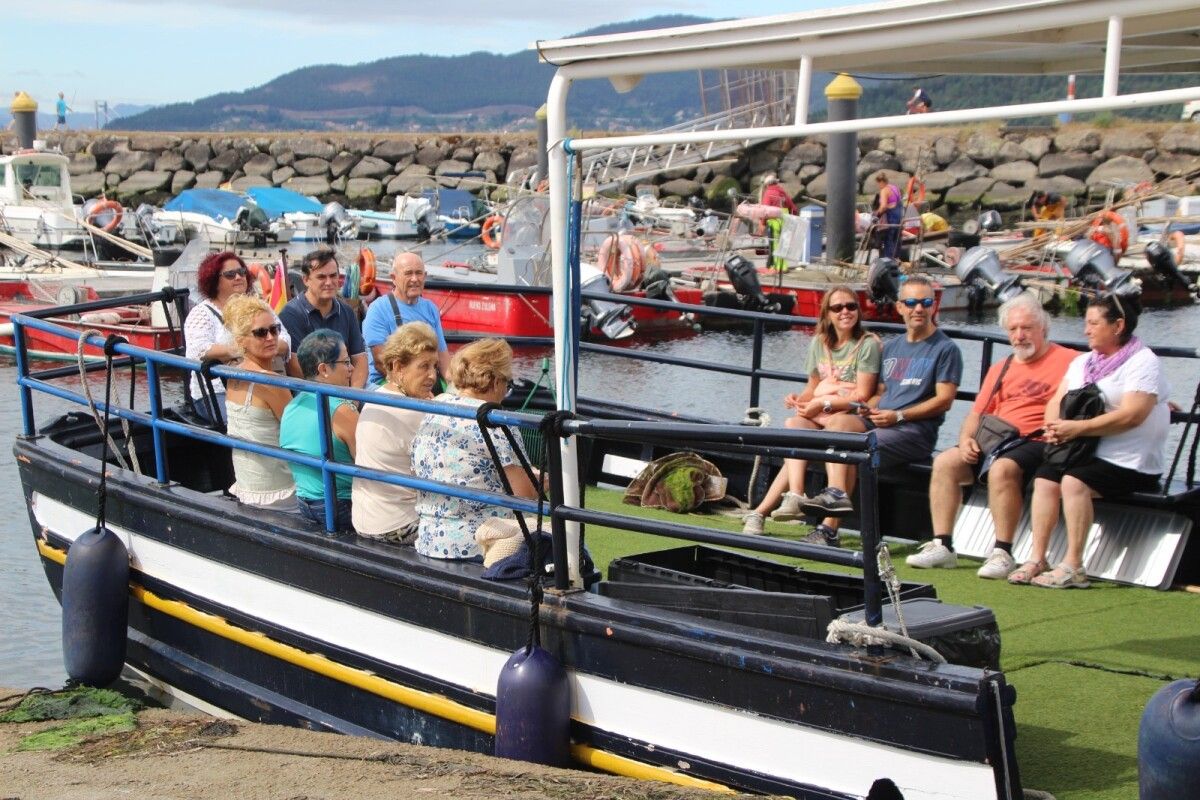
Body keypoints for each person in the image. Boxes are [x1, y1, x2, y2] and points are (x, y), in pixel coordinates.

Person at [907, 293, 1076, 577]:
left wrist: (1157, 400)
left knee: (1003, 469)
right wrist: (966, 440)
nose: (1020, 336)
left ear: (1043, 328)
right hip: (996, 438)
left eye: (1026, 328)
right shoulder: (1002, 368)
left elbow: (1110, 381)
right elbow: (976, 413)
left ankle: (1002, 551)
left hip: (1036, 440)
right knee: (946, 463)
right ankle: (943, 544)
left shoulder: (1071, 360)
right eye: (1013, 329)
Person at [1011, 294, 1169, 589]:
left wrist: (1078, 429)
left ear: (1118, 325)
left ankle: (1074, 565)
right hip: (1086, 451)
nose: (1086, 330)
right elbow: (1056, 400)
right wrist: (1054, 426)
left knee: (1073, 482)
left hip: (1132, 460)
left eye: (1093, 323)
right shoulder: (1083, 362)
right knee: (1045, 479)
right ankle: (1037, 558)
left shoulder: (1143, 362)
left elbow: (1133, 416)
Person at [800, 276, 962, 546]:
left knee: (859, 447)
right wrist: (864, 409)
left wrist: (899, 416)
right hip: (879, 421)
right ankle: (835, 497)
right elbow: (881, 393)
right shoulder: (893, 347)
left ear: (934, 307)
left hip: (913, 430)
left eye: (925, 302)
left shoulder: (946, 349)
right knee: (838, 425)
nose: (918, 309)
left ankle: (829, 528)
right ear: (900, 307)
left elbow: (945, 400)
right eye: (911, 302)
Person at [743, 287, 880, 535]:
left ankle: (761, 512)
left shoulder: (867, 344)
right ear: (827, 314)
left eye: (851, 306)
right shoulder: (819, 343)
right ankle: (795, 495)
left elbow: (862, 395)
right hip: (821, 415)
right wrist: (800, 399)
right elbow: (813, 386)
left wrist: (823, 403)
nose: (845, 312)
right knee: (794, 425)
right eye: (837, 308)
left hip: (849, 416)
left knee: (827, 443)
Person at [411, 338, 539, 561]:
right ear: (496, 380)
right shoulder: (496, 421)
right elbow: (525, 496)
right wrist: (542, 480)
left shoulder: (435, 408)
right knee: (567, 539)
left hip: (429, 537)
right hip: (476, 543)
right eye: (507, 382)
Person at [352, 322, 440, 543]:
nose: (432, 376)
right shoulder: (413, 412)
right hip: (397, 525)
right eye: (424, 366)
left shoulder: (378, 396)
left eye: (435, 366)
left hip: (366, 519)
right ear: (399, 367)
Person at [184, 251, 292, 425]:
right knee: (257, 422)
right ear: (213, 279)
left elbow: (285, 339)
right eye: (230, 274)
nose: (238, 277)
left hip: (264, 382)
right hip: (217, 391)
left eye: (242, 272)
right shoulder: (202, 313)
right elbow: (197, 352)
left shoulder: (259, 306)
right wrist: (245, 348)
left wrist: (259, 344)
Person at [221, 295, 296, 511]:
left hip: (247, 488)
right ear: (241, 340)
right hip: (278, 492)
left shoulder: (232, 375)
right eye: (261, 333)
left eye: (274, 329)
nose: (271, 337)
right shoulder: (272, 382)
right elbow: (296, 434)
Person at [280, 330, 359, 532]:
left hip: (305, 504)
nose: (351, 368)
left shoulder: (292, 405)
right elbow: (368, 465)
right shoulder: (343, 411)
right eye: (346, 362)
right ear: (324, 369)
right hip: (340, 507)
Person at [279, 249, 368, 389]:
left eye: (333, 276)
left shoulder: (346, 312)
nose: (329, 282)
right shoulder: (291, 314)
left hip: (349, 388)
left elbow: (360, 360)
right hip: (310, 390)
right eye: (321, 277)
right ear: (306, 280)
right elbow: (296, 368)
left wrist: (354, 396)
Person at [361, 252, 450, 385]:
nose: (414, 279)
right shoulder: (378, 309)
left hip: (425, 378)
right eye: (408, 273)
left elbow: (443, 358)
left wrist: (455, 387)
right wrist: (413, 390)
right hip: (387, 380)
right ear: (394, 278)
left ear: (425, 276)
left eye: (419, 273)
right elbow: (381, 362)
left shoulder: (431, 309)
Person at [873, 173, 903, 260]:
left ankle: (888, 260)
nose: (878, 186)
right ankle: (897, 258)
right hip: (899, 216)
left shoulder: (884, 190)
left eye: (878, 184)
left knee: (888, 239)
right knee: (897, 238)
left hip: (891, 217)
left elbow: (883, 206)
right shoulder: (894, 187)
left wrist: (877, 215)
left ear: (881, 182)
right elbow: (898, 202)